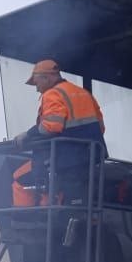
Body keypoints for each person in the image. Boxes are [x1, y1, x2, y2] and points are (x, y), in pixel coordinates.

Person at [11, 59, 107, 207]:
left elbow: (51, 126)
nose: (37, 89)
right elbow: (101, 127)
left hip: (68, 159)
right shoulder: (83, 93)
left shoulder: (52, 94)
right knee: (78, 202)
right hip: (91, 156)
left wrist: (28, 135)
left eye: (37, 83)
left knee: (19, 178)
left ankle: (24, 222)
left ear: (46, 78)